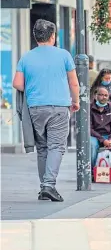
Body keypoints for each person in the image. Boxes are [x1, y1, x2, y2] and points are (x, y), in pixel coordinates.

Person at [12, 19, 80, 202]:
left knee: (42, 147)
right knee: (56, 146)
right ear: (53, 36)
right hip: (58, 107)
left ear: (35, 37)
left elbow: (17, 83)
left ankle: (45, 187)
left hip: (35, 107)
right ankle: (49, 185)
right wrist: (76, 101)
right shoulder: (64, 55)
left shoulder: (26, 57)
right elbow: (73, 82)